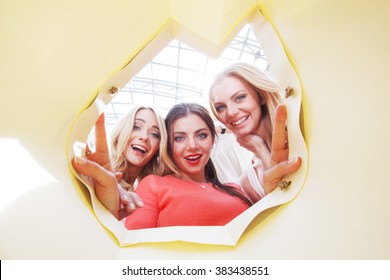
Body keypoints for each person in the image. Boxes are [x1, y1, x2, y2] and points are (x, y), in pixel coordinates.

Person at [208, 62, 302, 203]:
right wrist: (260, 148)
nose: (231, 112)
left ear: (261, 96)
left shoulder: (299, 130)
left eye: (239, 98)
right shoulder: (248, 182)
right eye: (221, 107)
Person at [72, 105, 169, 220]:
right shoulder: (94, 174)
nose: (144, 137)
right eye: (136, 127)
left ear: (158, 148)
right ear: (120, 134)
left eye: (154, 134)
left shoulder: (152, 194)